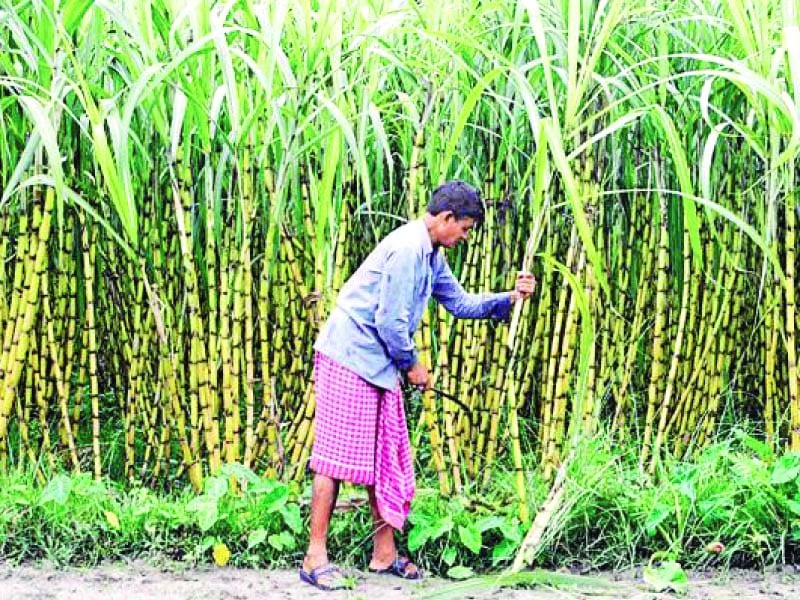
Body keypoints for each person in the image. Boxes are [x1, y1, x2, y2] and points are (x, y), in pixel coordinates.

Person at [299, 180, 536, 591]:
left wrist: (510, 298)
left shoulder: (431, 255)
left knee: (382, 454)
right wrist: (412, 365)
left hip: (377, 363)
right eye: (464, 229)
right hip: (349, 356)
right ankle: (314, 557)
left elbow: (459, 303)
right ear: (446, 219)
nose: (465, 237)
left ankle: (384, 553)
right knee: (333, 459)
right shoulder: (409, 249)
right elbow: (389, 322)